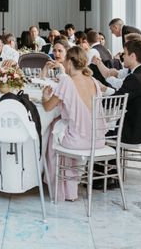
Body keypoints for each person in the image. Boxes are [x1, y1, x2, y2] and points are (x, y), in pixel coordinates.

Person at [42, 46, 107, 202]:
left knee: (52, 133)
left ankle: (61, 189)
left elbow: (47, 107)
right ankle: (70, 188)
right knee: (63, 126)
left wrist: (45, 96)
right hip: (98, 140)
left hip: (78, 142)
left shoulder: (67, 82)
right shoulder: (93, 81)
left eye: (65, 60)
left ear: (70, 62)